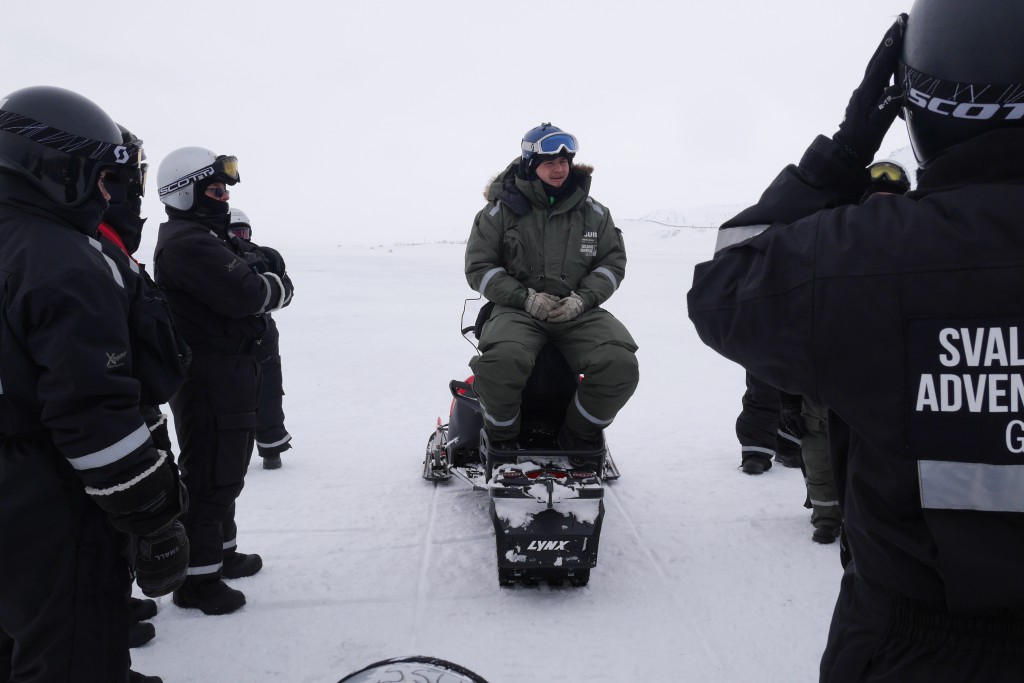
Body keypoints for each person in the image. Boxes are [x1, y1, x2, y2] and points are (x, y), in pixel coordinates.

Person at [689, 3, 1024, 680]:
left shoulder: (862, 254)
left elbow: (724, 288)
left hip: (917, 645)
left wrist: (839, 156)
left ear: (912, 107)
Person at [0, 86, 188, 682]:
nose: (108, 194)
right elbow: (95, 416)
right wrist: (155, 517)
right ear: (58, 168)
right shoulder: (61, 259)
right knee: (75, 647)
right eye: (102, 178)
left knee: (17, 637)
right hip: (50, 495)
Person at [154, 147, 293, 615]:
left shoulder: (205, 236)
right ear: (186, 191)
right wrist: (271, 282)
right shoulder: (188, 243)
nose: (224, 196)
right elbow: (253, 293)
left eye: (226, 188)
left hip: (230, 369)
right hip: (210, 374)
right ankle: (197, 582)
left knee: (226, 473)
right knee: (212, 474)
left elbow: (263, 281)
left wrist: (266, 278)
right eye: (215, 189)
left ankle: (221, 553)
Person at [465, 123, 639, 453]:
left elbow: (611, 264)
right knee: (502, 361)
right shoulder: (498, 212)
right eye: (549, 163)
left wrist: (583, 299)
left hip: (578, 310)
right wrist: (524, 298)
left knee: (619, 364)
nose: (559, 169)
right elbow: (480, 268)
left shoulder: (595, 213)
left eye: (564, 162)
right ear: (531, 164)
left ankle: (577, 438)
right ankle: (503, 442)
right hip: (518, 309)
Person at [228, 208, 294, 470]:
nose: (240, 238)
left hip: (263, 332)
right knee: (229, 397)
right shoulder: (214, 260)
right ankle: (231, 454)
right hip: (228, 339)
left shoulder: (259, 256)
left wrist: (273, 273)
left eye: (244, 232)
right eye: (235, 233)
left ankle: (271, 448)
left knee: (269, 391)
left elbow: (286, 291)